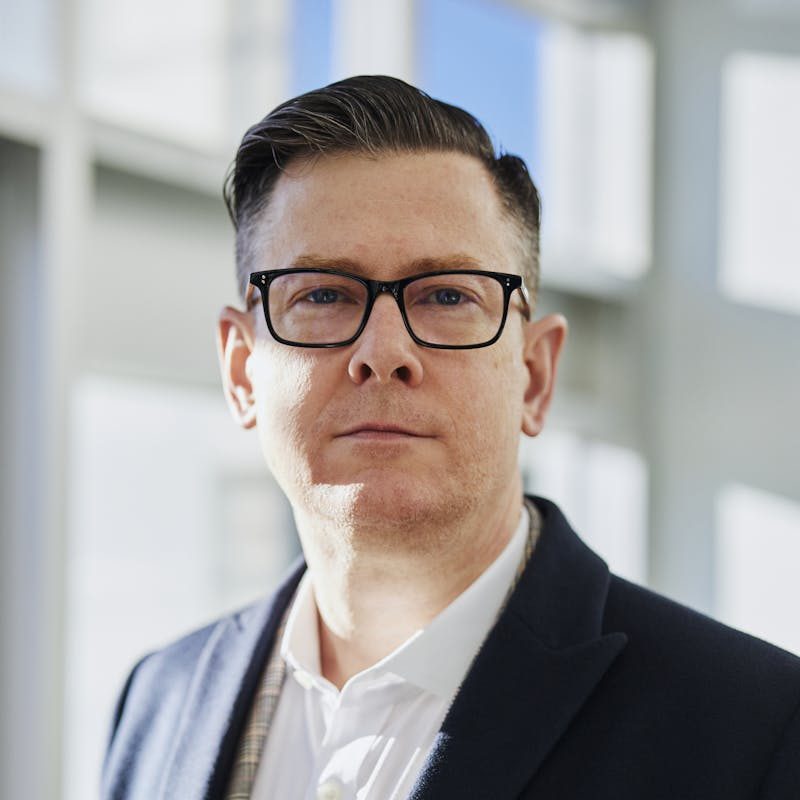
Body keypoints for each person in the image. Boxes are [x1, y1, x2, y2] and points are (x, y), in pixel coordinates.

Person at [101, 76, 800, 800]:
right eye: (321, 293)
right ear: (243, 371)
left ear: (534, 375)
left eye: (446, 296)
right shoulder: (158, 700)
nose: (384, 350)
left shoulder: (753, 730)